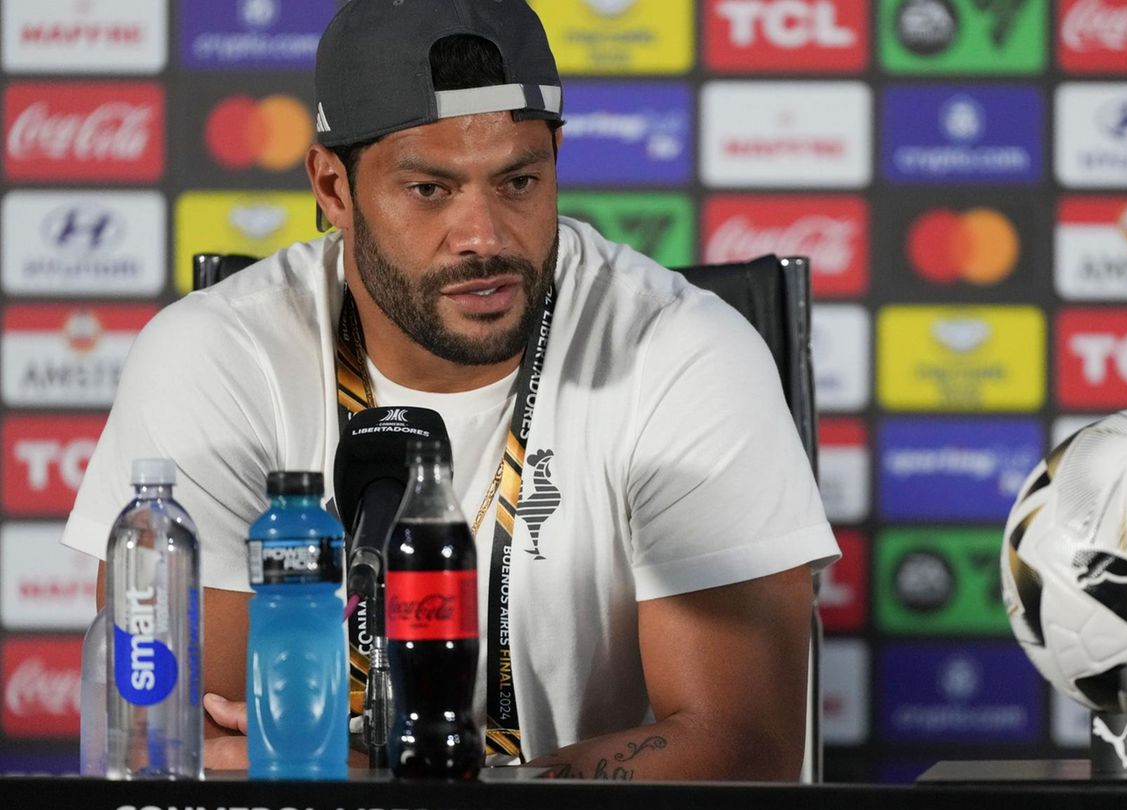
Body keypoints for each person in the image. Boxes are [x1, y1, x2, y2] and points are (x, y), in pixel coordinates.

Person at [62, 0, 836, 781]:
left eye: (519, 181)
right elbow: (181, 743)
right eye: (430, 190)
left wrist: (402, 786)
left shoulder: (682, 352)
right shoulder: (217, 356)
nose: (486, 236)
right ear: (333, 187)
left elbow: (743, 748)